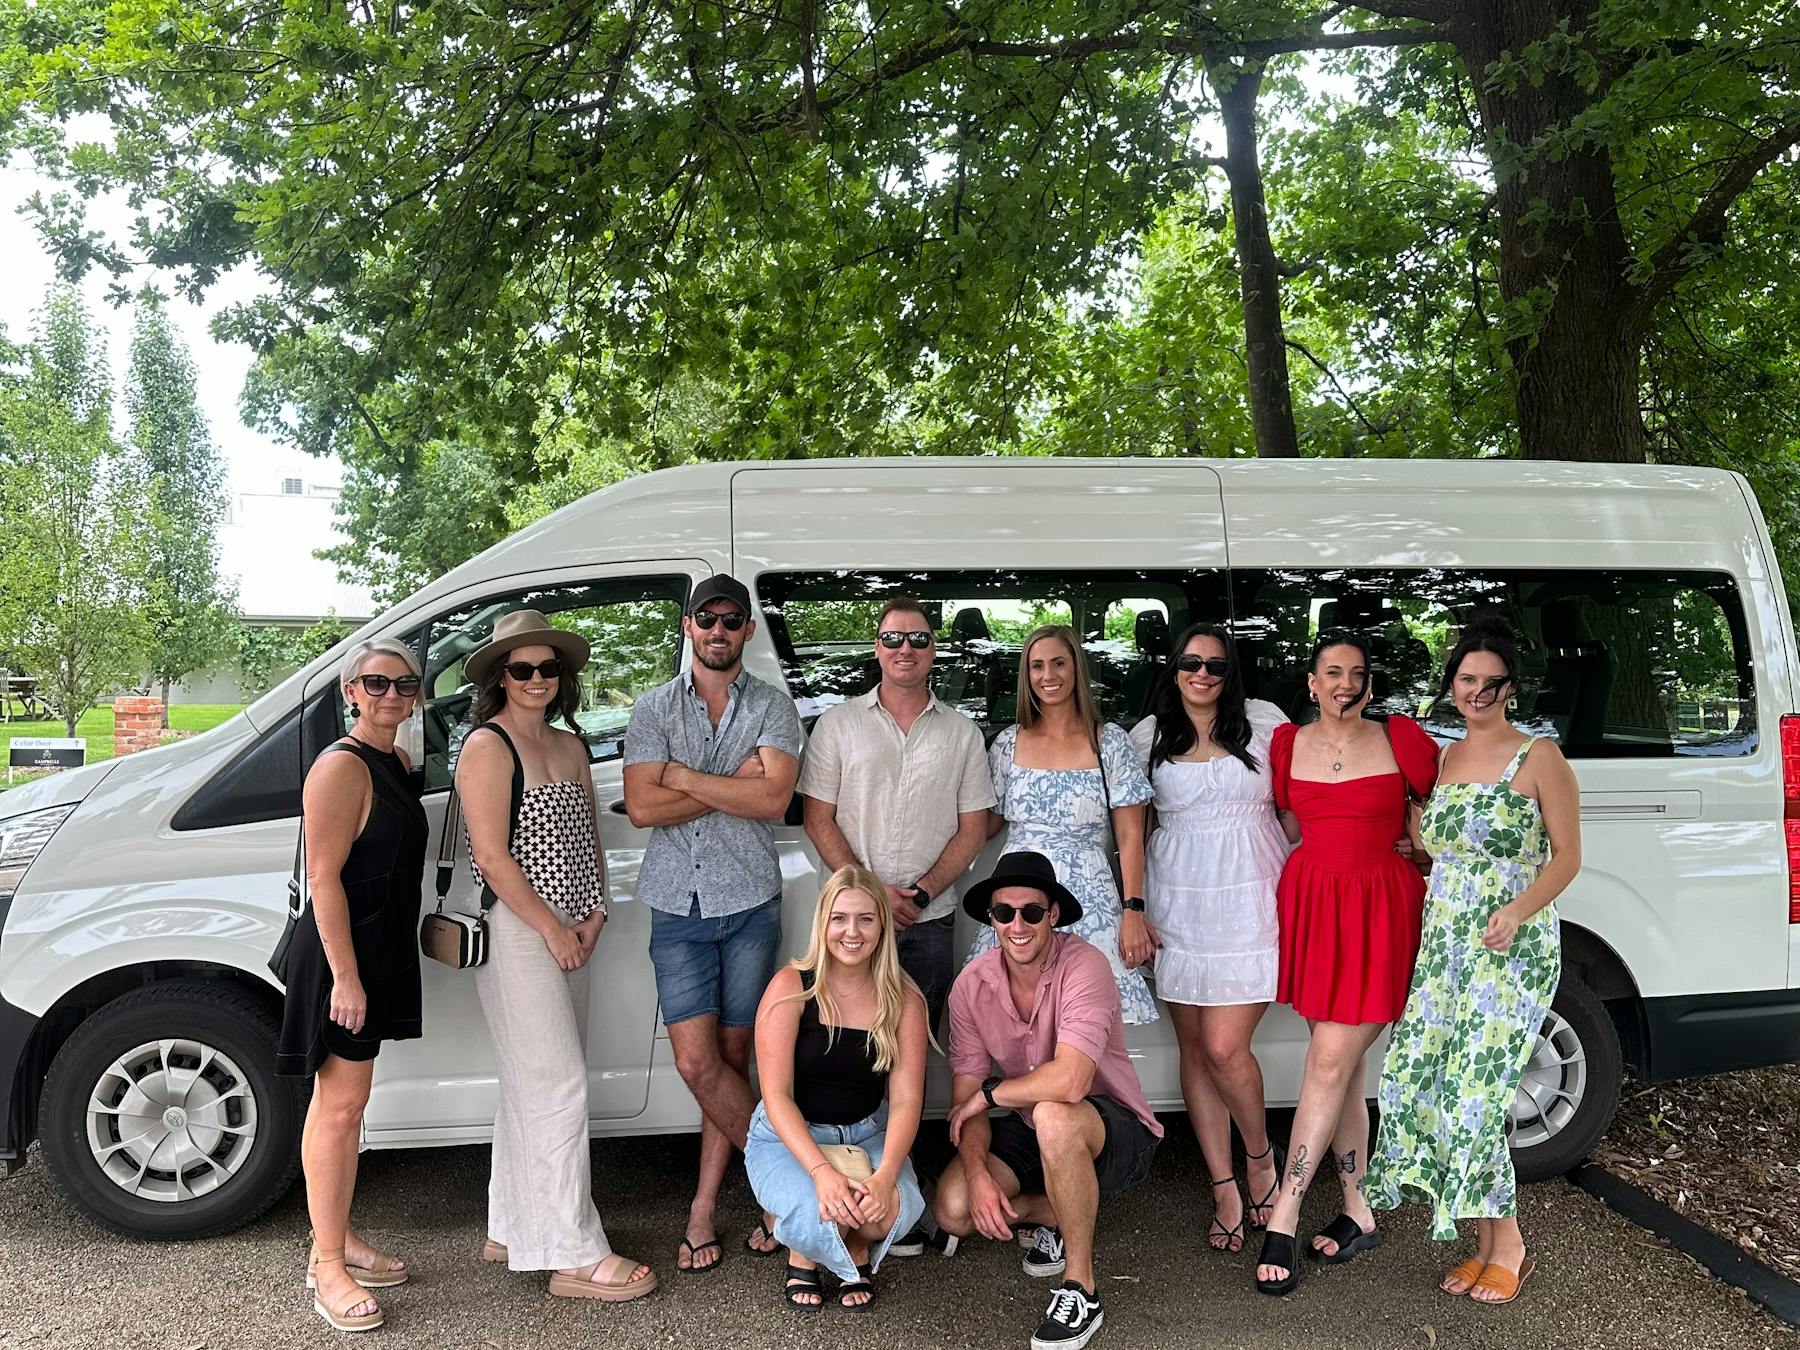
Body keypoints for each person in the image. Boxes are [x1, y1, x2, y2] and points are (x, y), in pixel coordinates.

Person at [1364, 619, 1580, 1305]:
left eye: (1491, 683)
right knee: (1421, 1083)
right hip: (1447, 942)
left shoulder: (1539, 756)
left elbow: (1568, 856)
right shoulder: (1447, 758)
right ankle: (1485, 1243)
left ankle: (1507, 1244)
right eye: (1467, 681)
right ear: (1452, 685)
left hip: (1509, 946)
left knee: (1475, 1095)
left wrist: (1517, 910)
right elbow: (1441, 844)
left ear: (1509, 688)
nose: (1478, 693)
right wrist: (1415, 848)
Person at [459, 609, 656, 1302]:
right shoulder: (488, 746)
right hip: (520, 931)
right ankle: (573, 1252)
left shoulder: (571, 746)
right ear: (500, 677)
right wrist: (551, 929)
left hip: (573, 926)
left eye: (549, 668)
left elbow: (587, 840)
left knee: (532, 1082)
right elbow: (490, 856)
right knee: (557, 1085)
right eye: (522, 668)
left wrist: (596, 911)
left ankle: (512, 1226)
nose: (537, 678)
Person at [799, 595, 994, 1257]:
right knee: (853, 1061)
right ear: (876, 647)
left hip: (930, 922)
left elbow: (976, 827)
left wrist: (923, 890)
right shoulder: (838, 725)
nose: (905, 650)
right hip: (854, 929)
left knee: (913, 1064)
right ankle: (864, 1190)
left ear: (933, 649)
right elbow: (817, 818)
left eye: (917, 639)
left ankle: (900, 1195)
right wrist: (873, 895)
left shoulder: (962, 733)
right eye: (892, 639)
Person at [623, 574, 803, 1271]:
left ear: (748, 630)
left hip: (751, 903)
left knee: (734, 1063)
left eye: (733, 619)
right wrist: (736, 782)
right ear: (688, 626)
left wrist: (684, 776)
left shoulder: (774, 705)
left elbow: (775, 798)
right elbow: (640, 808)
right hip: (678, 905)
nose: (719, 630)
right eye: (708, 618)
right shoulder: (653, 707)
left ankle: (704, 1208)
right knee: (698, 1064)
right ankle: (782, 1191)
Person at [1254, 631, 1439, 1296]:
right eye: (1331, 672)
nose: (1344, 684)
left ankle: (1285, 1212)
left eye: (1355, 673)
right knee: (1346, 1067)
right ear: (1310, 682)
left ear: (1367, 682)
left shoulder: (1401, 741)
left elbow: (1443, 817)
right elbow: (1292, 827)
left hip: (1380, 912)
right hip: (1315, 909)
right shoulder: (1286, 746)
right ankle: (1359, 1209)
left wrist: (1417, 843)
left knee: (1327, 1063)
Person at [935, 851, 1162, 1350]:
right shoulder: (970, 986)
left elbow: (1072, 1081)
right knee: (953, 1210)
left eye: (1032, 912)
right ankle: (1055, 1215)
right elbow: (963, 1101)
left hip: (1112, 1125)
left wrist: (989, 1094)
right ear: (991, 919)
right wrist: (976, 1177)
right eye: (1004, 913)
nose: (1018, 925)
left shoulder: (1085, 965)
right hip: (1031, 1121)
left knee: (1054, 1114)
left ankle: (1081, 1288)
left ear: (1053, 915)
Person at [276, 639, 427, 1333]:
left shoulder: (394, 760)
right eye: (377, 682)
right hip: (346, 954)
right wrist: (346, 976)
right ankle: (326, 1265)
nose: (393, 694)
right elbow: (323, 877)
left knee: (350, 1103)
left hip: (379, 947)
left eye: (405, 684)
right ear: (351, 692)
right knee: (338, 1107)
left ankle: (337, 1237)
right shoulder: (339, 767)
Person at [1128, 623, 1287, 1254]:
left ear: (1231, 674)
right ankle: (1223, 1183)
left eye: (1215, 666)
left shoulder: (1266, 724)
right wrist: (1133, 906)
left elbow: (1302, 804)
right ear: (1173, 669)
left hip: (1251, 894)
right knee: (1193, 1049)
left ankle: (1259, 1158)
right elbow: (1131, 831)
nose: (1202, 675)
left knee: (1225, 1048)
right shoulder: (1148, 735)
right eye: (1190, 663)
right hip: (1177, 899)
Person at [744, 865, 929, 1310]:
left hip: (866, 1133)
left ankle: (854, 1245)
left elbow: (906, 1100)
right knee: (818, 1210)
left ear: (882, 925)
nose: (852, 932)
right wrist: (822, 1174)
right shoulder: (791, 987)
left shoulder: (904, 999)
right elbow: (777, 1095)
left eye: (865, 919)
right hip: (789, 1137)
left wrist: (884, 1178)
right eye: (840, 918)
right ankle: (802, 1248)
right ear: (823, 923)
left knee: (895, 1210)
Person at [972, 625, 1157, 1028]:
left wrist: (1133, 910)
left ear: (1077, 668)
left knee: (1083, 1023)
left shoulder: (1108, 742)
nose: (1048, 675)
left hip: (1089, 898)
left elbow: (1130, 837)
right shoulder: (1008, 743)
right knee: (1018, 1020)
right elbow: (982, 824)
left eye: (1058, 663)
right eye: (1036, 666)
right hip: (1020, 897)